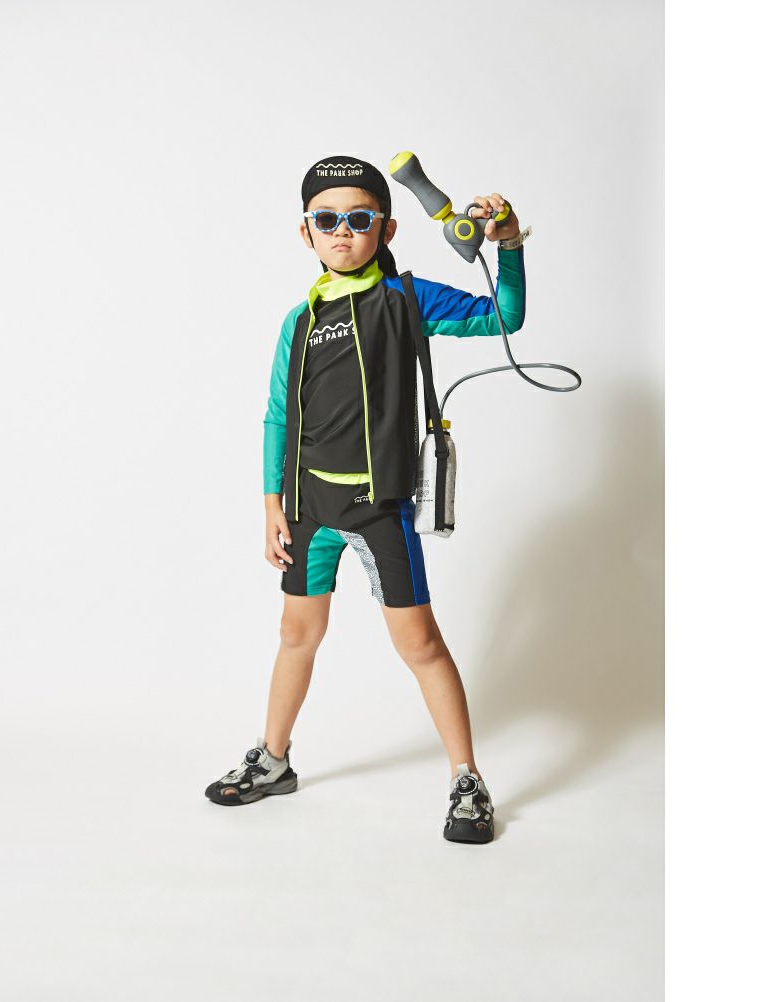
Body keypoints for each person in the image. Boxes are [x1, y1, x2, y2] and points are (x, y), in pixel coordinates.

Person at [203, 156, 527, 843]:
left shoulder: (406, 298)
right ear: (306, 233)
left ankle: (466, 778)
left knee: (421, 644)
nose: (343, 231)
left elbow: (506, 316)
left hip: (379, 508)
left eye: (359, 218)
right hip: (308, 509)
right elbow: (277, 417)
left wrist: (508, 248)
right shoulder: (300, 319)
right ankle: (273, 759)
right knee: (297, 634)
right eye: (327, 220)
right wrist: (272, 504)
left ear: (387, 227)